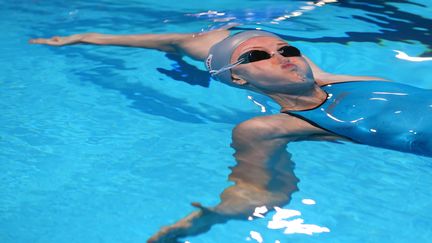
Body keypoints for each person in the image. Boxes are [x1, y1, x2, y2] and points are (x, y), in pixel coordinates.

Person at [30, 27, 432, 242]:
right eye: (256, 57)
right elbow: (263, 191)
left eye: (287, 49)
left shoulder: (351, 80)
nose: (281, 58)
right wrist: (207, 218)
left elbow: (195, 43)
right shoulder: (271, 127)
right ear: (237, 77)